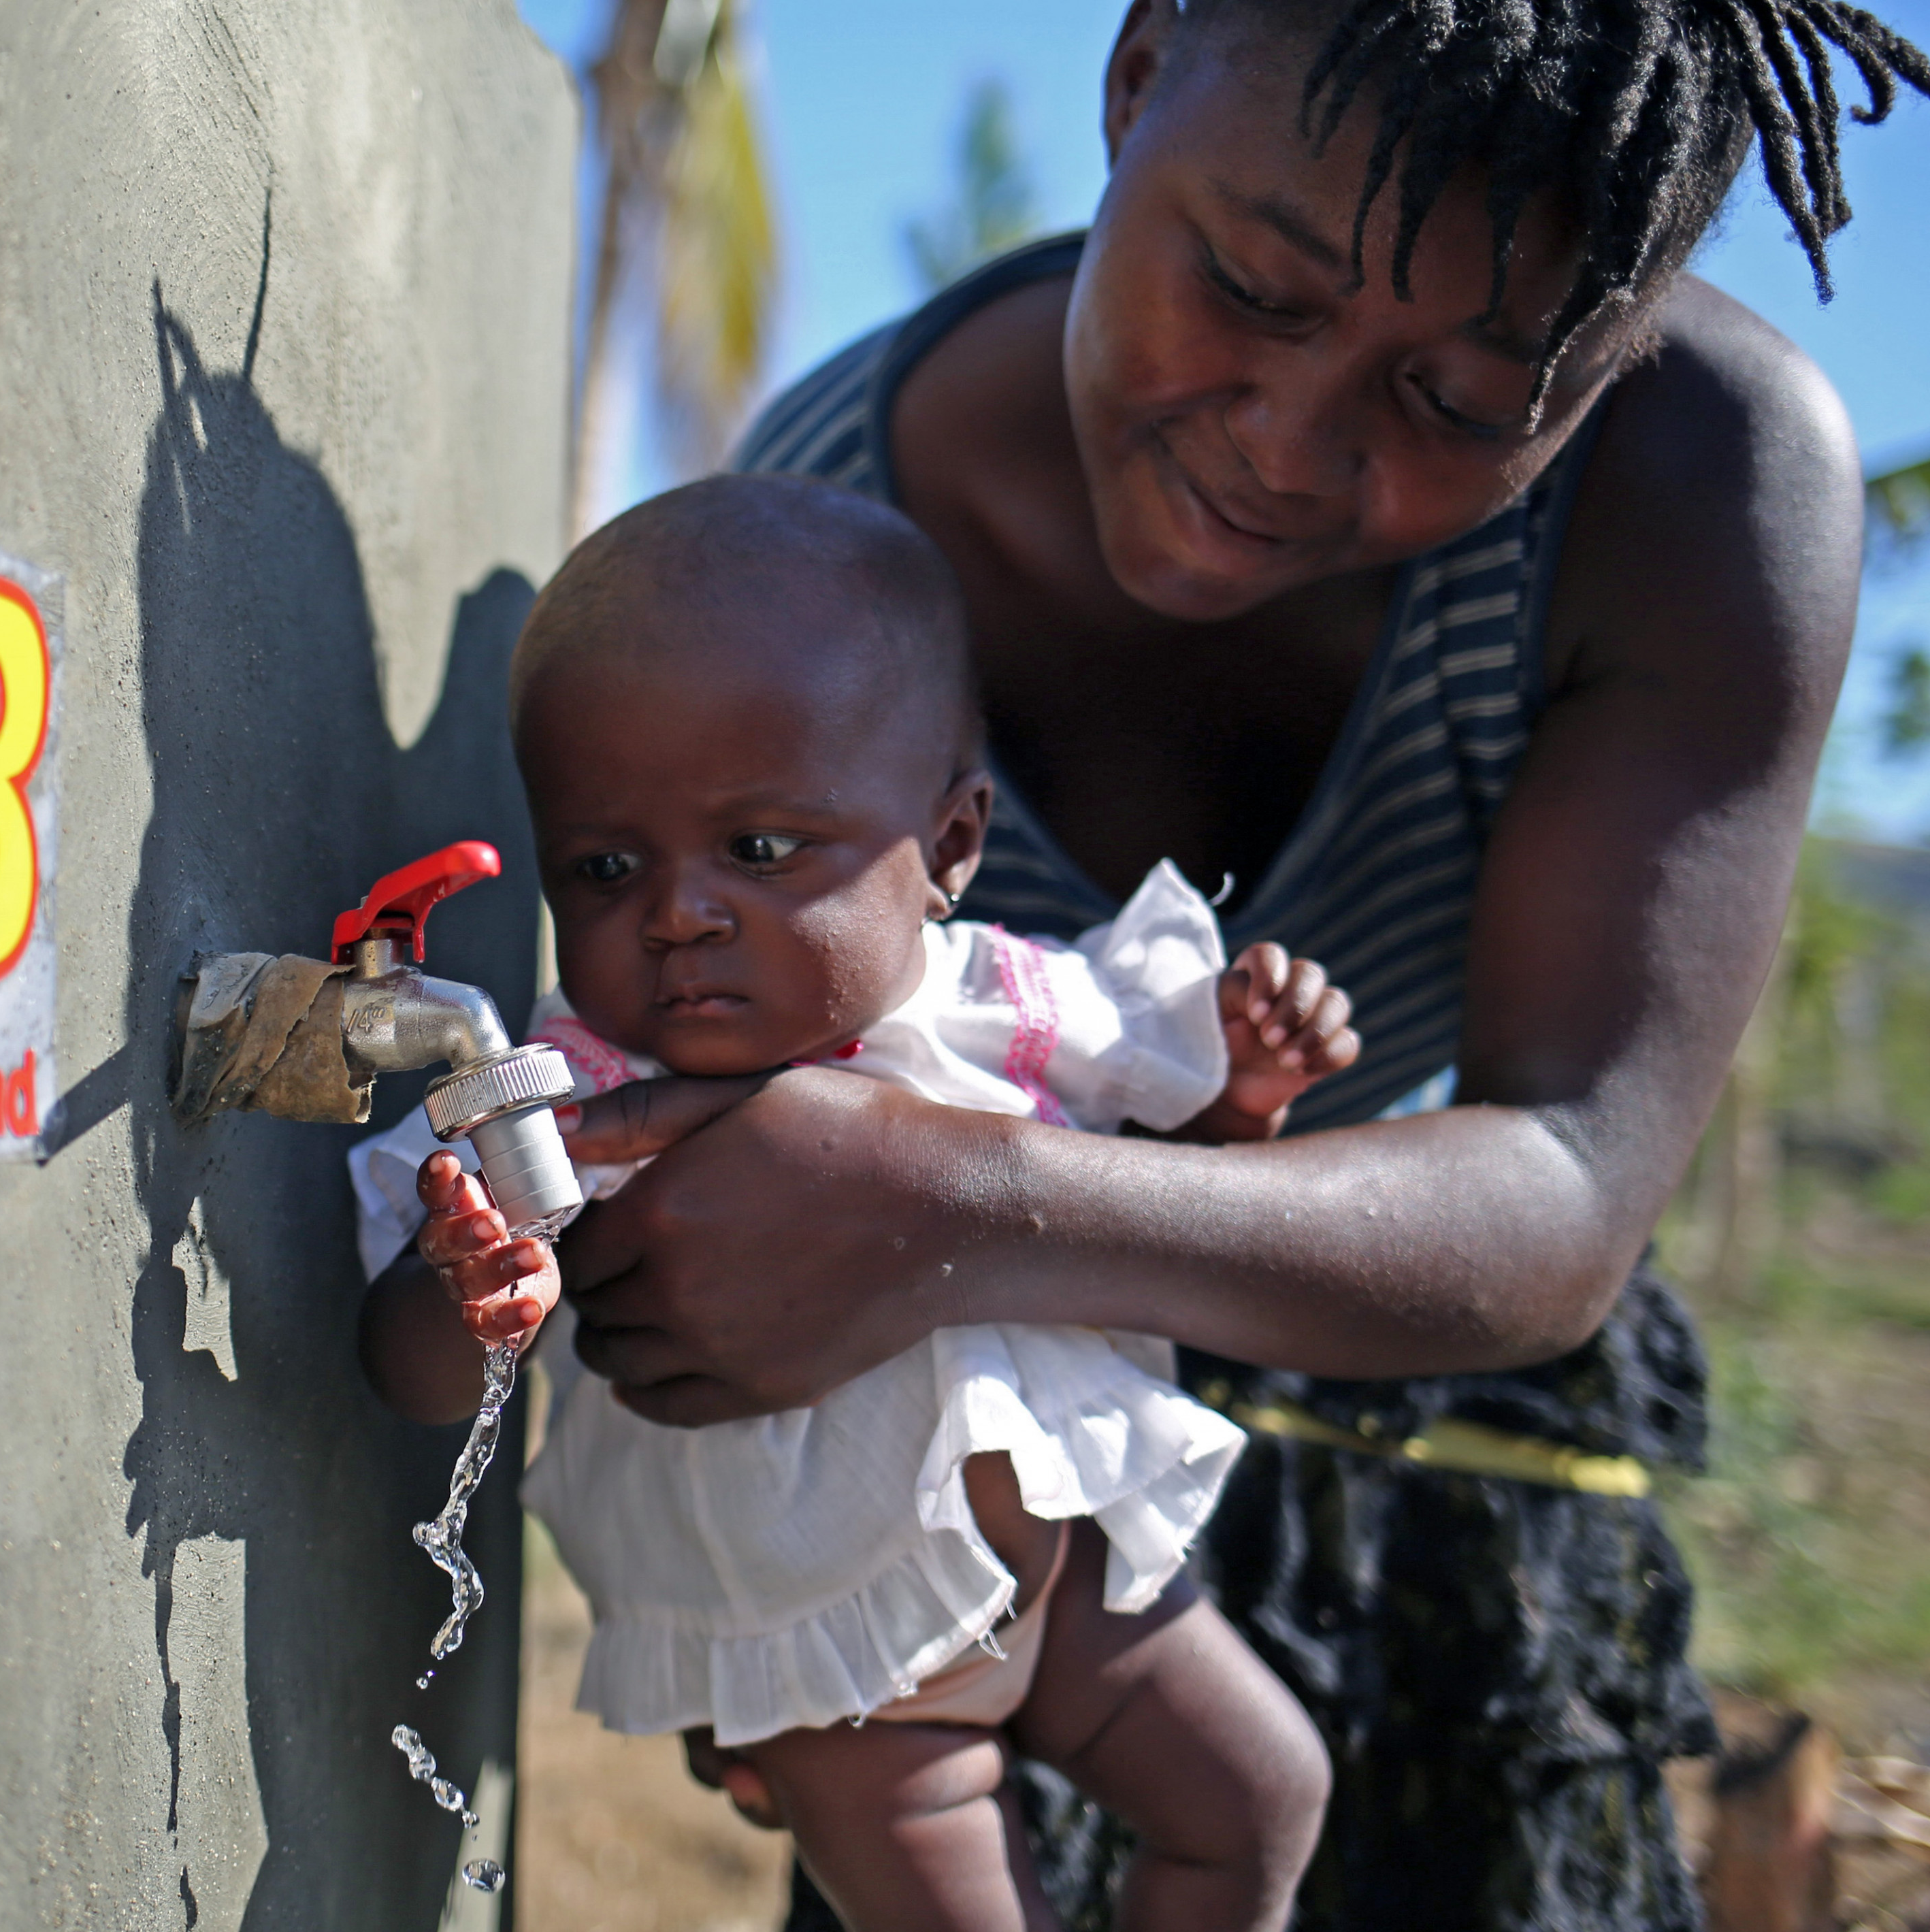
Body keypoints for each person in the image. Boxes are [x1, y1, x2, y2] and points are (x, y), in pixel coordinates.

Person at [535, 2, 1929, 1927]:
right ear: (1134, 79)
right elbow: (686, 1198)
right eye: (1253, 288)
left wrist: (950, 1197)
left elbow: (1562, 1197)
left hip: (1422, 1404)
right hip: (924, 1478)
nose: (1289, 443)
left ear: (1610, 359)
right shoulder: (819, 560)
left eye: (1457, 401)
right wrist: (751, 1578)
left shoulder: (1698, 489)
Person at [355, 476, 1369, 1931]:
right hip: (838, 1667)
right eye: (603, 864)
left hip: (1070, 1572)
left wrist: (1242, 1097)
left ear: (948, 848)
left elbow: (1163, 1193)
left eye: (761, 850)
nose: (678, 911)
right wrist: (469, 1278)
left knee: (1264, 1798)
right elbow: (401, 1371)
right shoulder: (567, 1100)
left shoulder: (1012, 1008)